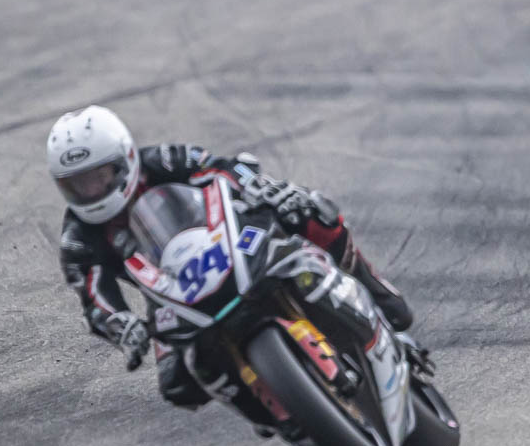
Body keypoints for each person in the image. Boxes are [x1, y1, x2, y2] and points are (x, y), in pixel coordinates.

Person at [47, 105, 427, 422]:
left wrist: (262, 187)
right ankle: (276, 415)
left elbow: (222, 166)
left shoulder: (160, 161)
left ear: (125, 160)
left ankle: (377, 294)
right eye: (76, 184)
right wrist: (122, 325)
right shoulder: (78, 237)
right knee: (177, 382)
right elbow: (94, 297)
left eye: (99, 177)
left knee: (312, 211)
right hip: (172, 295)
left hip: (230, 241)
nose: (90, 191)